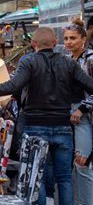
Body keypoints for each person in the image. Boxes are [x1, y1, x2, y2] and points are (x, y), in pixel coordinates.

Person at [0, 27, 93, 205]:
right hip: (63, 126)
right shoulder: (68, 63)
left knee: (36, 178)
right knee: (64, 179)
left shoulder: (28, 61)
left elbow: (11, 87)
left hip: (35, 126)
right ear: (55, 43)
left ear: (33, 44)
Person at [64, 19, 93, 205]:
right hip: (68, 113)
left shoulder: (90, 59)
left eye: (73, 38)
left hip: (84, 115)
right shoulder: (67, 60)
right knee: (72, 165)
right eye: (66, 38)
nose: (69, 42)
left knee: (83, 164)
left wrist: (82, 109)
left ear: (83, 38)